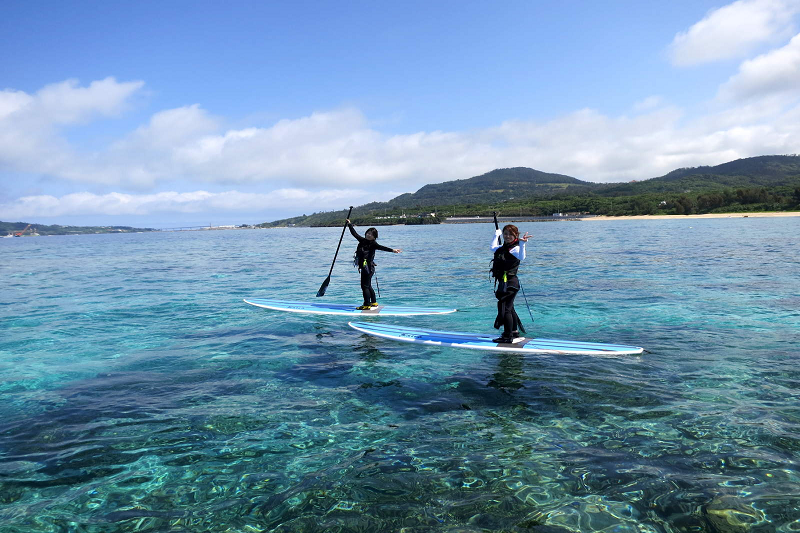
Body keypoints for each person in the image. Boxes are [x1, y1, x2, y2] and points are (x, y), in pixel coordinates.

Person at [347, 220, 402, 309]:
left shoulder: (373, 244)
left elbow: (382, 247)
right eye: (368, 233)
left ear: (374, 237)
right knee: (368, 285)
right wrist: (349, 224)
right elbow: (354, 234)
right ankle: (374, 302)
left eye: (371, 234)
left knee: (364, 286)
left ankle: (366, 305)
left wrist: (392, 250)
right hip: (367, 267)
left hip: (368, 267)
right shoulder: (362, 240)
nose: (369, 235)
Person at [490, 224, 531, 343]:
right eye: (505, 234)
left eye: (510, 234)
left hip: (510, 283)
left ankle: (507, 337)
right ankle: (514, 332)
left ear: (515, 235)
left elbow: (522, 257)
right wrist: (496, 235)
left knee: (505, 309)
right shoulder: (504, 247)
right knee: (510, 307)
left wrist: (523, 244)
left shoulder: (515, 248)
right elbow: (492, 247)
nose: (507, 236)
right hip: (506, 282)